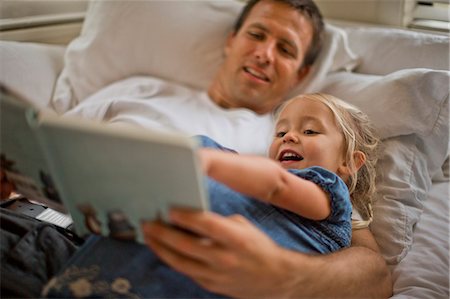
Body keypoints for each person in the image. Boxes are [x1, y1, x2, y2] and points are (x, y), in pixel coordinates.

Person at [2, 0, 392, 297]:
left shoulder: (290, 153)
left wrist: (283, 275)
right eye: (257, 35)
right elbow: (53, 150)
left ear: (301, 74)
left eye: (286, 49)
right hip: (38, 221)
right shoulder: (138, 89)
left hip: (137, 267)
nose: (264, 54)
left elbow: (373, 271)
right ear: (231, 41)